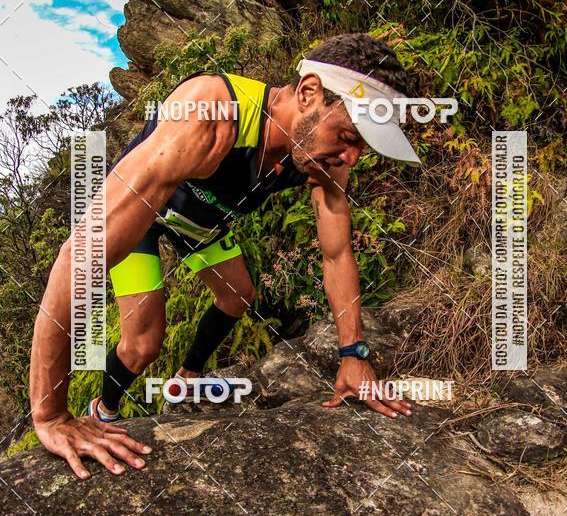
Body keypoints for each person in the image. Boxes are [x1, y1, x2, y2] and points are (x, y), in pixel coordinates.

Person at [29, 32, 421, 480]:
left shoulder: (328, 156)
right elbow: (78, 258)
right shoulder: (210, 112)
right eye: (349, 135)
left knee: (238, 296)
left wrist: (353, 352)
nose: (351, 155)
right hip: (149, 215)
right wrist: (50, 415)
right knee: (142, 343)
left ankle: (188, 378)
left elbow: (336, 254)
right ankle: (104, 409)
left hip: (201, 223)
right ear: (309, 92)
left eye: (362, 145)